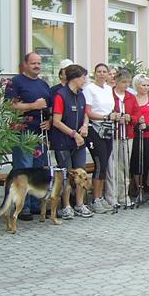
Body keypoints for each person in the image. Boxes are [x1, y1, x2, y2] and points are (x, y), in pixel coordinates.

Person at [5, 52, 52, 221]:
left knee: (38, 171)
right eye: (33, 63)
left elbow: (49, 108)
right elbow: (10, 106)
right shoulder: (15, 82)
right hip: (23, 133)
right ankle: (22, 207)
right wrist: (33, 105)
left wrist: (50, 121)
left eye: (39, 63)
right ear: (25, 64)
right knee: (24, 169)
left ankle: (35, 205)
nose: (37, 66)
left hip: (41, 134)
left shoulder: (44, 84)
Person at [49, 64, 92, 219]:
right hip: (63, 141)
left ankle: (80, 204)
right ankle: (66, 205)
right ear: (74, 78)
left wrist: (85, 126)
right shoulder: (61, 95)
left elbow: (85, 114)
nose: (84, 81)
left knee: (81, 172)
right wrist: (74, 134)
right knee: (65, 174)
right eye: (83, 78)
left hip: (79, 142)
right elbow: (56, 121)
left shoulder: (81, 94)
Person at [83, 63, 117, 213]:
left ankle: (101, 197)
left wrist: (113, 116)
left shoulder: (109, 89)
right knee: (99, 162)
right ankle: (95, 199)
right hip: (95, 128)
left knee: (105, 165)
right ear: (95, 73)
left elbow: (110, 108)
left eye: (105, 72)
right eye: (99, 71)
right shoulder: (89, 89)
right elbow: (88, 112)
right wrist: (106, 116)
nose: (102, 74)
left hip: (108, 129)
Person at [105, 70, 136, 208]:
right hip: (113, 135)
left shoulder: (130, 97)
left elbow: (136, 114)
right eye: (123, 82)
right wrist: (114, 116)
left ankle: (124, 195)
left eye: (128, 82)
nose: (126, 85)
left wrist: (130, 118)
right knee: (112, 166)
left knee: (124, 166)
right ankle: (112, 196)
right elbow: (104, 111)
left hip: (127, 135)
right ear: (116, 81)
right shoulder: (109, 94)